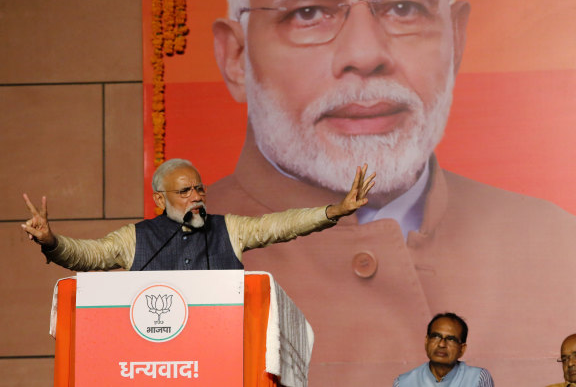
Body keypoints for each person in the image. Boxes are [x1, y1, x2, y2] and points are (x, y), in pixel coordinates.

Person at [207, 0, 576, 384]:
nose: (365, 54)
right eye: (309, 13)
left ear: (455, 37)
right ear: (237, 56)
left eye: (403, 9)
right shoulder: (188, 254)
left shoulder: (566, 249)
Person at [21, 158, 375, 271]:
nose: (196, 197)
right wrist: (52, 242)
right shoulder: (135, 238)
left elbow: (279, 225)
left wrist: (336, 211)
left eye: (199, 189)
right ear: (160, 199)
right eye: (185, 191)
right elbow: (89, 256)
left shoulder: (229, 229)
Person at [393, 313, 493, 386]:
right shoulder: (403, 383)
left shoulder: (478, 379)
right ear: (427, 341)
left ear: (462, 349)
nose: (441, 344)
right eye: (436, 336)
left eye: (451, 339)